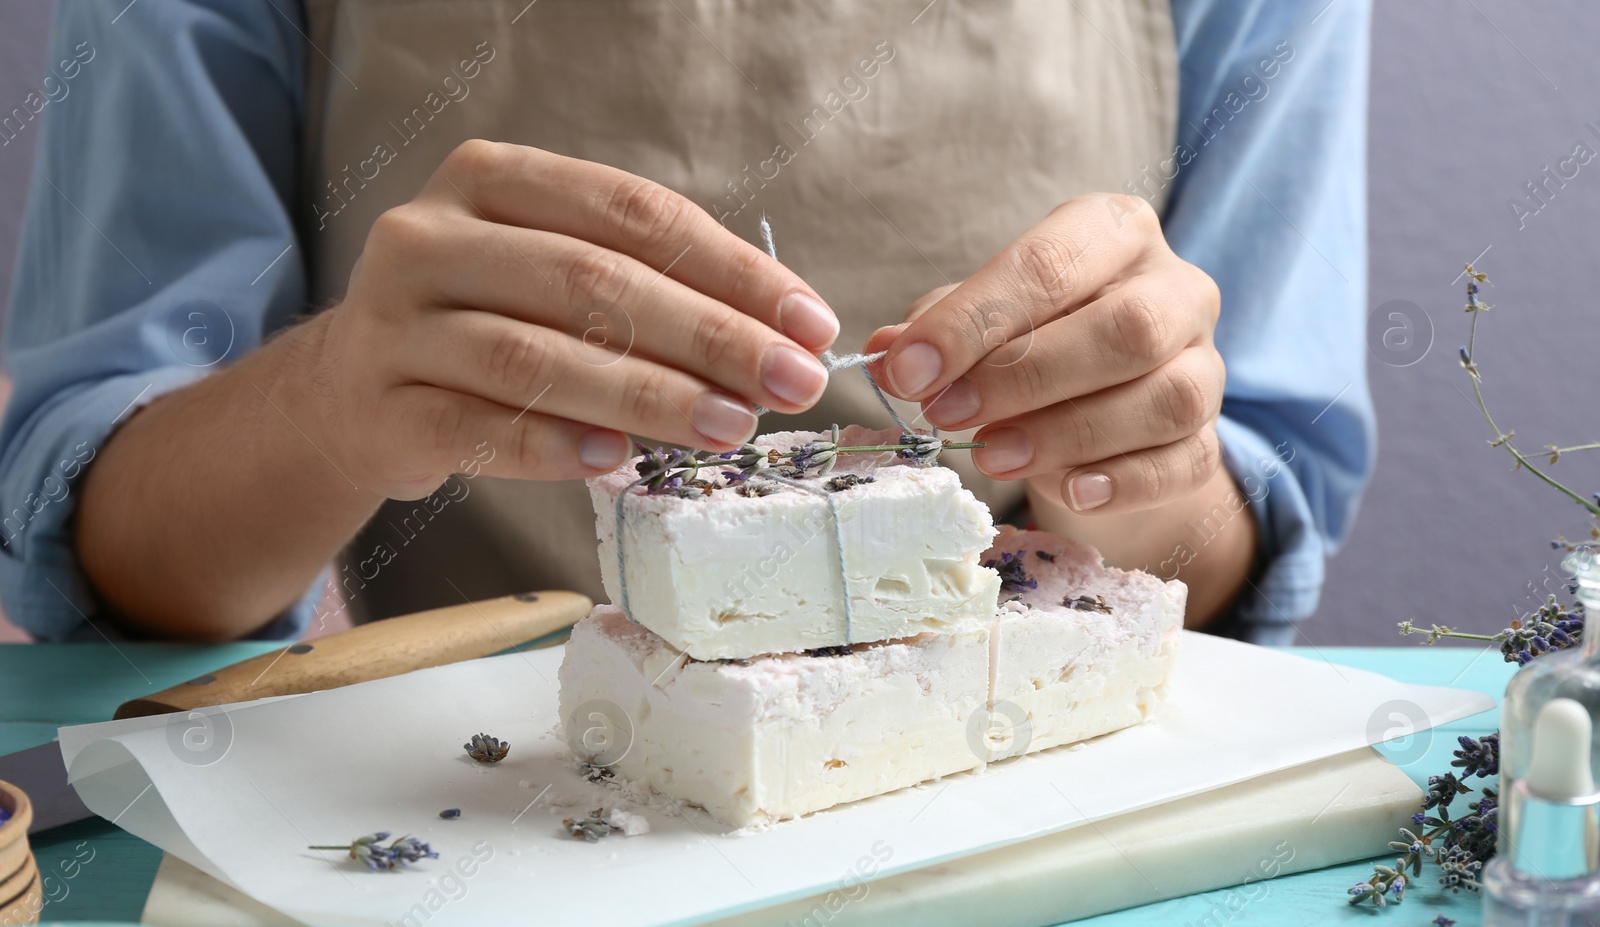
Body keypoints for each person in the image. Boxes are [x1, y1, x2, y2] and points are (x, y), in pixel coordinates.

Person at [0, 0, 1372, 647]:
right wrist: (329, 404)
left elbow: (1228, 555)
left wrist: (1151, 467)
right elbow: (115, 552)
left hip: (1025, 824)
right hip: (453, 847)